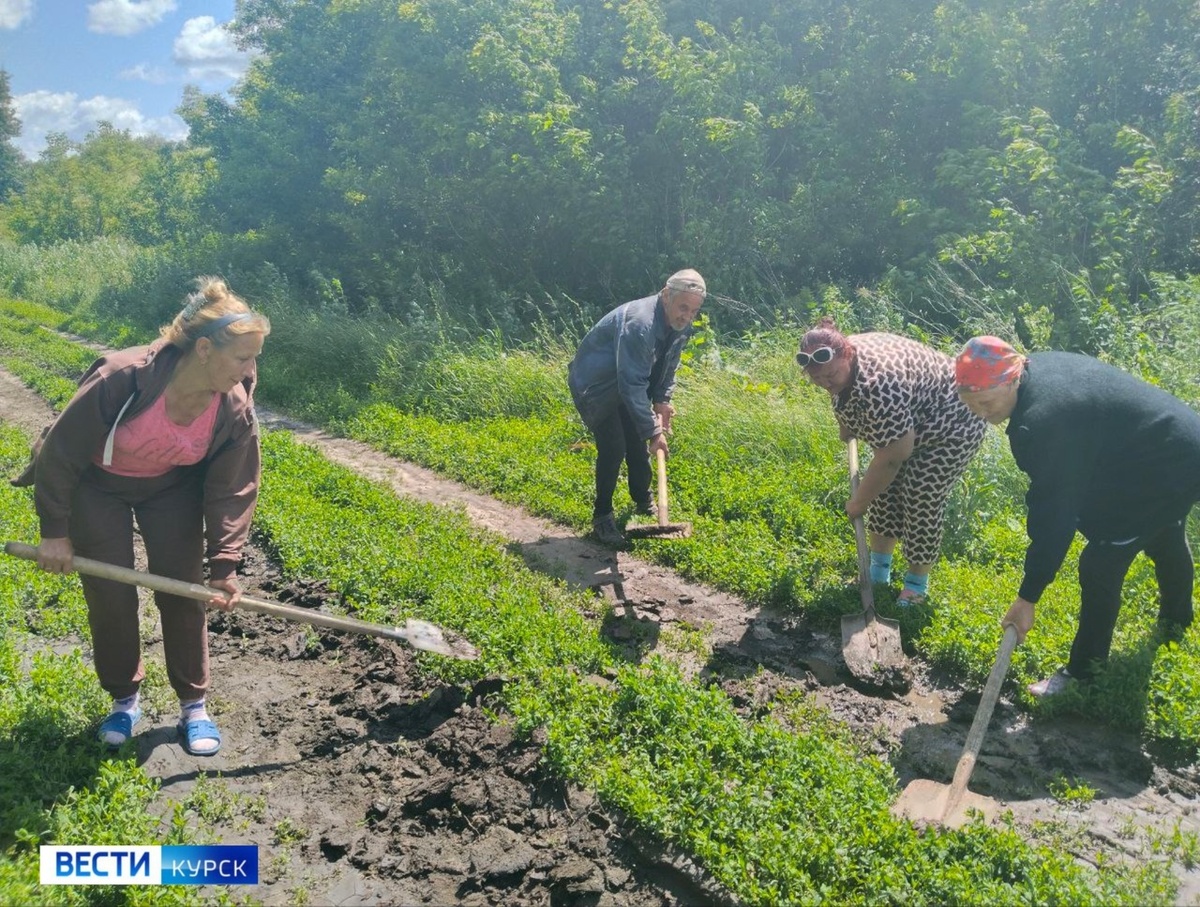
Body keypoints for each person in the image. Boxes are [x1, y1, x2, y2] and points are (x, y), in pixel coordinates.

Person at [13, 277, 270, 753]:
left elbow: (233, 487)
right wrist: (55, 533)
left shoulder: (233, 405)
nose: (251, 369)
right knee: (111, 593)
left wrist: (226, 565)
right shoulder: (122, 378)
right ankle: (124, 700)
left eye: (255, 357)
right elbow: (60, 456)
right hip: (98, 486)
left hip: (170, 487)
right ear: (205, 351)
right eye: (242, 358)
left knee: (184, 591)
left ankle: (194, 705)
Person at [955, 336, 1200, 697]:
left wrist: (1028, 597)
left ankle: (1084, 674)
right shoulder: (1034, 370)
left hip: (1168, 462)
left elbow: (1055, 511)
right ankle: (1178, 621)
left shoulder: (1044, 420)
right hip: (1174, 442)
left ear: (1011, 379)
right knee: (1163, 530)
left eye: (985, 403)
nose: (981, 414)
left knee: (1101, 559)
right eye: (971, 405)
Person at [796, 319, 987, 603]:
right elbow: (845, 394)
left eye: (831, 375)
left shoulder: (882, 382)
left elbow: (893, 456)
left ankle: (916, 586)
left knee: (922, 494)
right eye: (817, 379)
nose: (825, 383)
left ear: (846, 354)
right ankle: (877, 572)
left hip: (954, 419)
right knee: (884, 491)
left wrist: (859, 502)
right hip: (912, 414)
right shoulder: (836, 357)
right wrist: (846, 423)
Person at [568, 269, 706, 546]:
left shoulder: (680, 326)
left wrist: (662, 401)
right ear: (666, 296)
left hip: (626, 384)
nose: (687, 316)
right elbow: (631, 385)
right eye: (683, 307)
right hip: (595, 386)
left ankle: (643, 500)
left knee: (637, 442)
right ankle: (603, 518)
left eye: (693, 311)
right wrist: (654, 431)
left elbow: (668, 368)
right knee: (615, 445)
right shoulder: (640, 324)